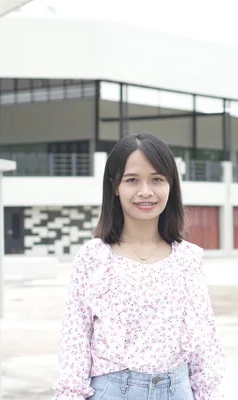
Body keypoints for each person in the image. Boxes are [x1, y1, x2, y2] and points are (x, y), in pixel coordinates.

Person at [52, 133, 225, 400]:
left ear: (171, 185)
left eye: (157, 179)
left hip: (176, 390)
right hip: (112, 391)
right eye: (132, 180)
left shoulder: (188, 259)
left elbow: (204, 341)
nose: (146, 191)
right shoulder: (94, 258)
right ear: (115, 186)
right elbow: (75, 338)